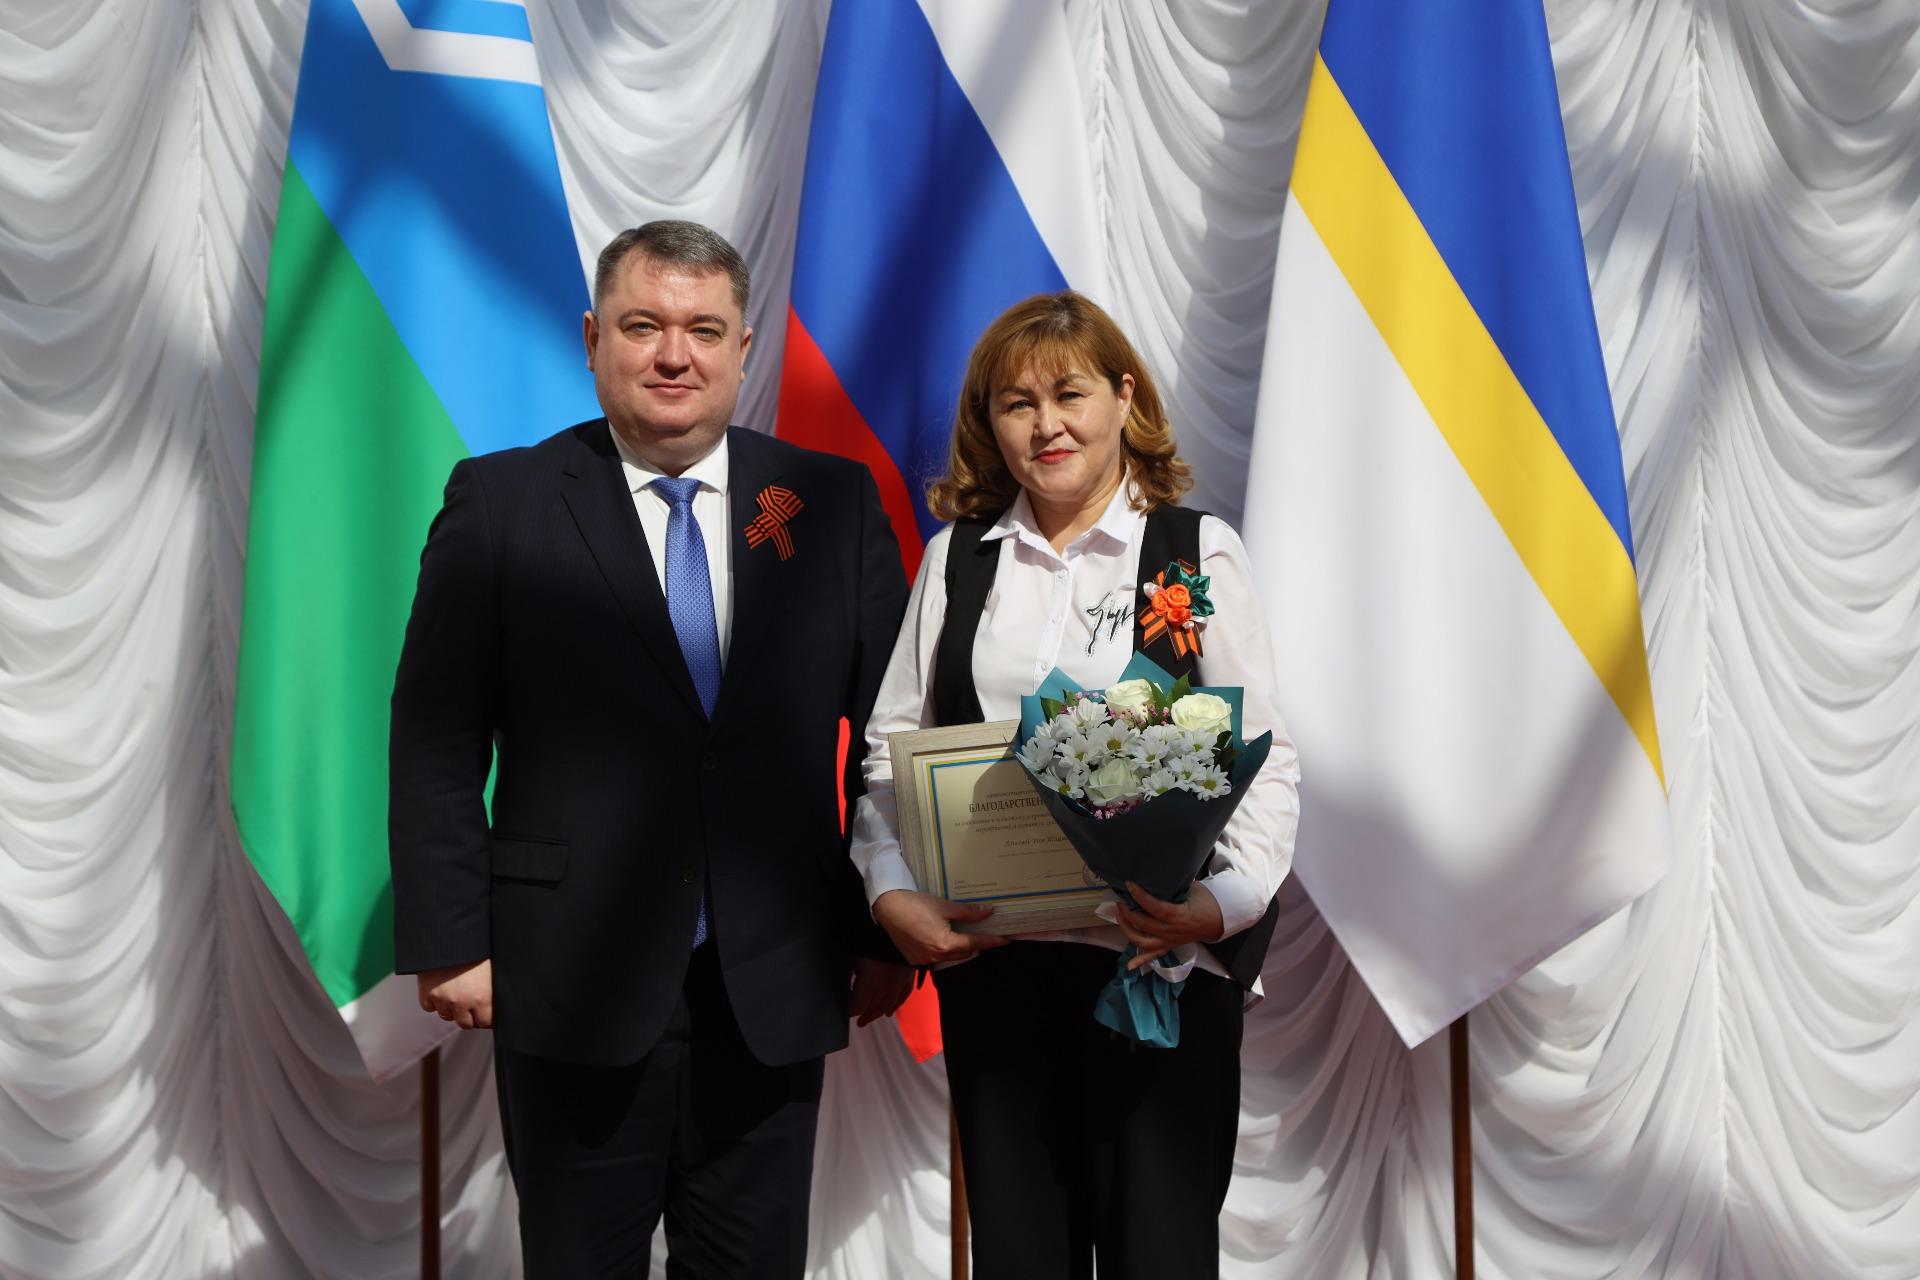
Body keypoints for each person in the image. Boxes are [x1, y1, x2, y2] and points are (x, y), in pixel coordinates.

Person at [388, 220, 915, 1279]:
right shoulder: (500, 503)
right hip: (566, 975)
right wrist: (450, 937)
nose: (675, 354)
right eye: (643, 326)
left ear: (742, 348)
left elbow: (887, 737)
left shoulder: (831, 503)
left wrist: (882, 925)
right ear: (593, 339)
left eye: (703, 330)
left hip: (773, 977)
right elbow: (437, 736)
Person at [850, 292, 1301, 1279]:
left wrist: (1221, 906)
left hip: (1158, 965)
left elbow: (1262, 758)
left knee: (1160, 1259)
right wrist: (890, 893)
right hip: (999, 971)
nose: (1045, 424)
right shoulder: (957, 562)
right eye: (1016, 403)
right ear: (989, 422)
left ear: (1123, 397)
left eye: (1069, 394)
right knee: (1021, 1260)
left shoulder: (1193, 553)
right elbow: (889, 756)